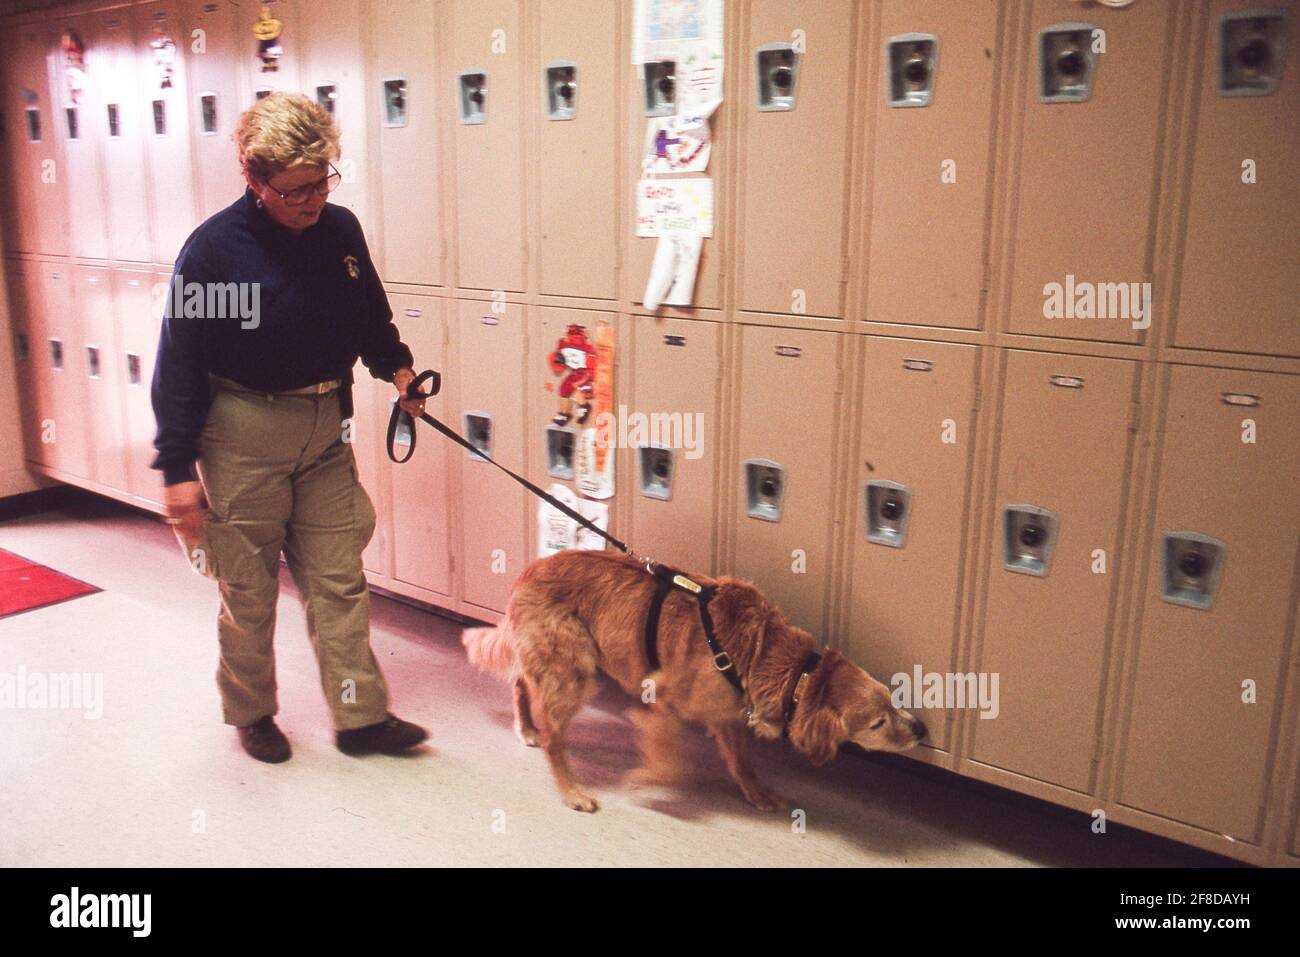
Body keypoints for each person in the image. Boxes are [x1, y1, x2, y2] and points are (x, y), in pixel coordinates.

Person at [151, 92, 429, 763]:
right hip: (242, 432)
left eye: (322, 181)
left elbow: (370, 316)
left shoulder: (340, 231)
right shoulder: (216, 251)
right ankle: (252, 711)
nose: (312, 200)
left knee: (339, 579)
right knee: (248, 587)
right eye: (295, 189)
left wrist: (395, 368)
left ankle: (361, 718)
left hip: (324, 427)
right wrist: (177, 470)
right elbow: (180, 362)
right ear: (254, 178)